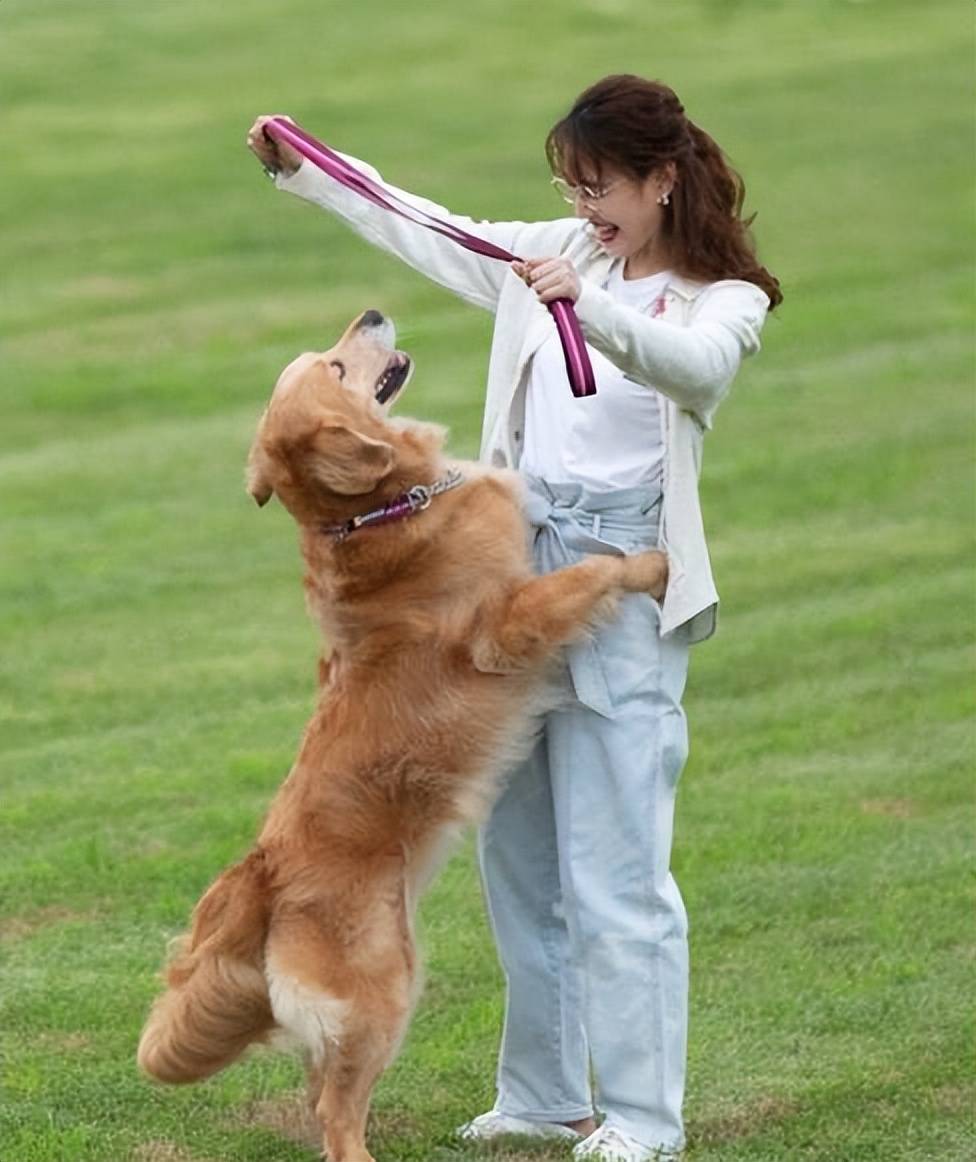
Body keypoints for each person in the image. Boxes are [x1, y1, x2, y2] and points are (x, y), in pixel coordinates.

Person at [247, 74, 781, 1162]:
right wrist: (311, 171)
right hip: (510, 591)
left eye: (600, 188)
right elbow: (431, 229)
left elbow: (691, 370)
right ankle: (539, 1091)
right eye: (568, 187)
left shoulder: (725, 297)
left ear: (662, 180)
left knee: (617, 875)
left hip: (624, 593)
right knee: (520, 864)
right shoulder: (558, 256)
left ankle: (641, 1118)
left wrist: (591, 308)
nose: (582, 208)